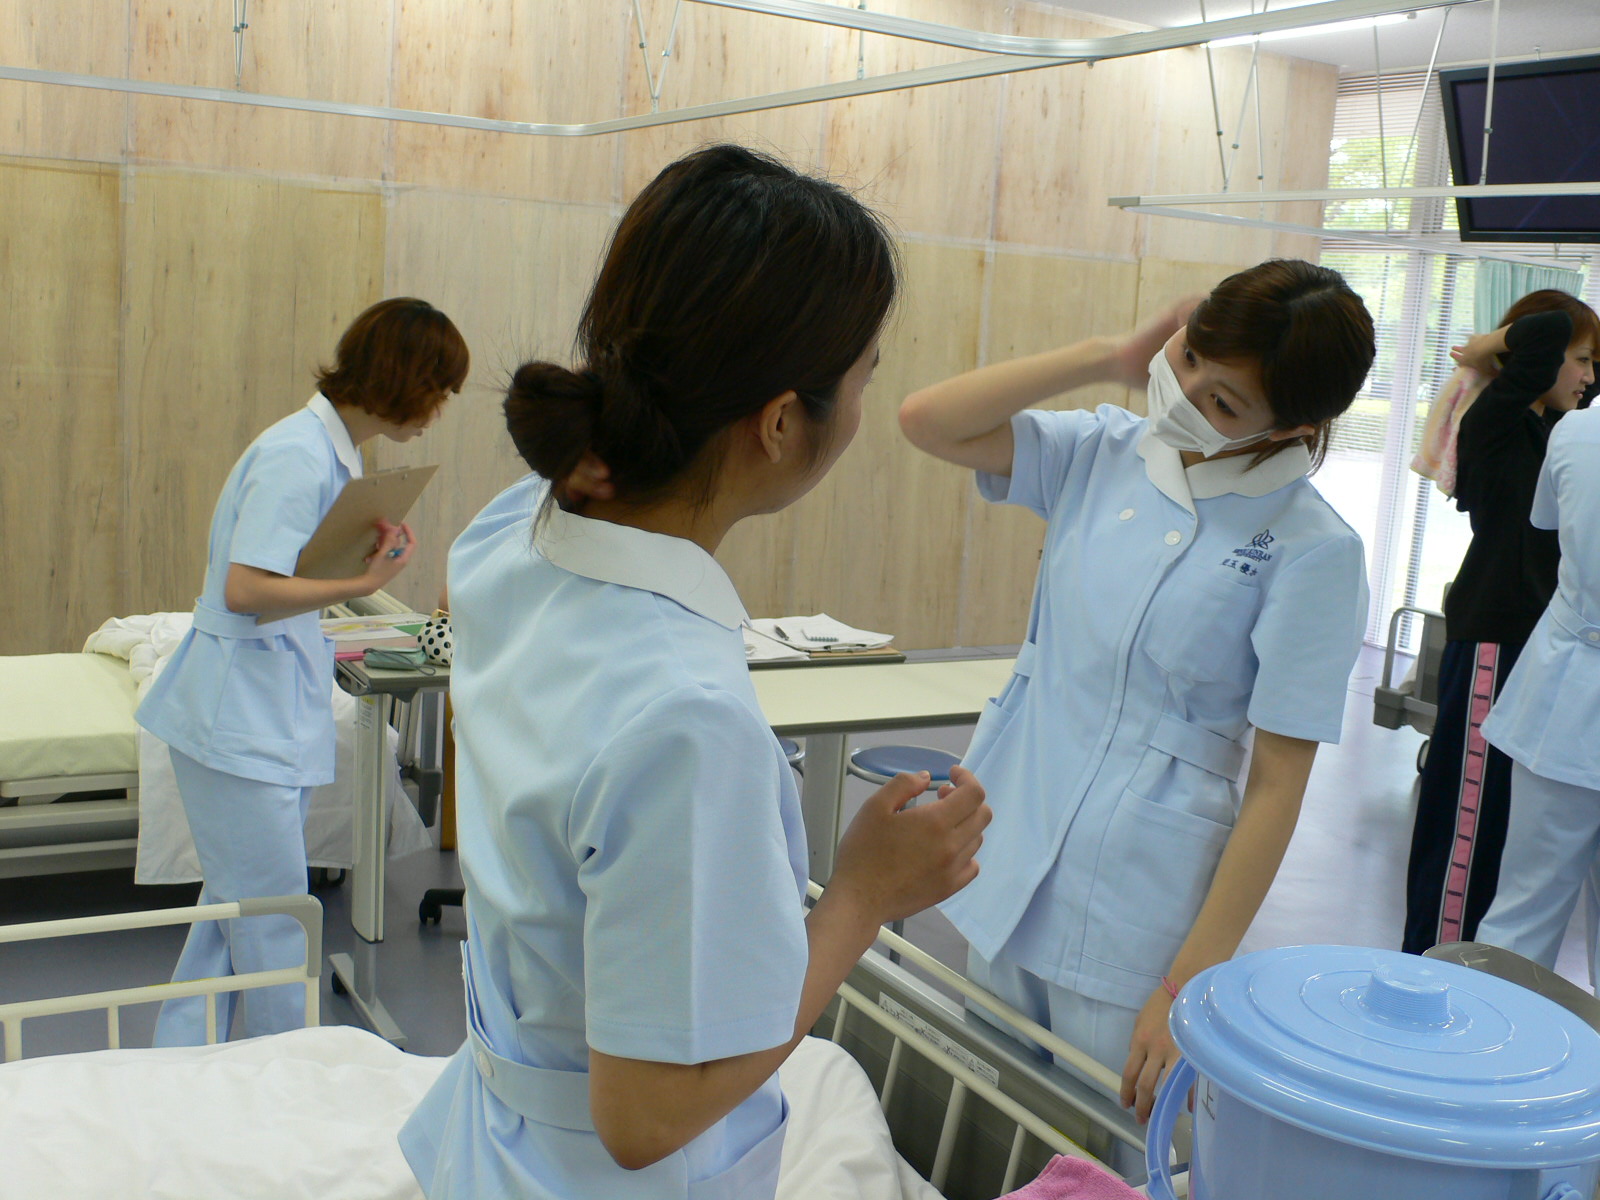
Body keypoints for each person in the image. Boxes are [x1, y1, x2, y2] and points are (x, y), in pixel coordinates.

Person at [398, 144, 991, 1200]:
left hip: (496, 1136)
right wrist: (863, 895)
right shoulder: (685, 719)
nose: (865, 401)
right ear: (781, 422)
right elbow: (646, 1117)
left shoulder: (512, 529)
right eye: (864, 376)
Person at [898, 259, 1375, 1128]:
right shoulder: (1105, 451)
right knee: (988, 1123)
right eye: (1188, 359)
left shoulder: (1312, 549)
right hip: (1012, 838)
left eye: (1223, 402)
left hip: (1136, 904)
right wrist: (1107, 356)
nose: (1184, 396)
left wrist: (1186, 981)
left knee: (1094, 1151)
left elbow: (1278, 786)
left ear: (1294, 426)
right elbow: (927, 420)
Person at [136, 297, 468, 1045]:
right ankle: (288, 1070)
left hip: (259, 710)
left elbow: (283, 571)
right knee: (276, 921)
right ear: (403, 378)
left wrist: (356, 564)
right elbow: (245, 589)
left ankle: (178, 1061)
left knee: (233, 914)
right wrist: (360, 583)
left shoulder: (332, 452)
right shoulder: (298, 454)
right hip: (236, 718)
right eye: (439, 389)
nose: (440, 409)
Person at [1402, 293, 1600, 956]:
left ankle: (1473, 980)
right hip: (1494, 639)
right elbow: (1546, 332)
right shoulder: (1497, 421)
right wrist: (1490, 346)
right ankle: (1432, 967)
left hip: (1533, 650)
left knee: (1501, 836)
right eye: (1580, 360)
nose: (1588, 376)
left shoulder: (1558, 430)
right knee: (1467, 827)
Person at [1471, 341, 1600, 969]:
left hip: (1563, 694)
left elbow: (1548, 522)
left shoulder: (1577, 431)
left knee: (1523, 911)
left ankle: (1488, 1031)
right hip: (1567, 687)